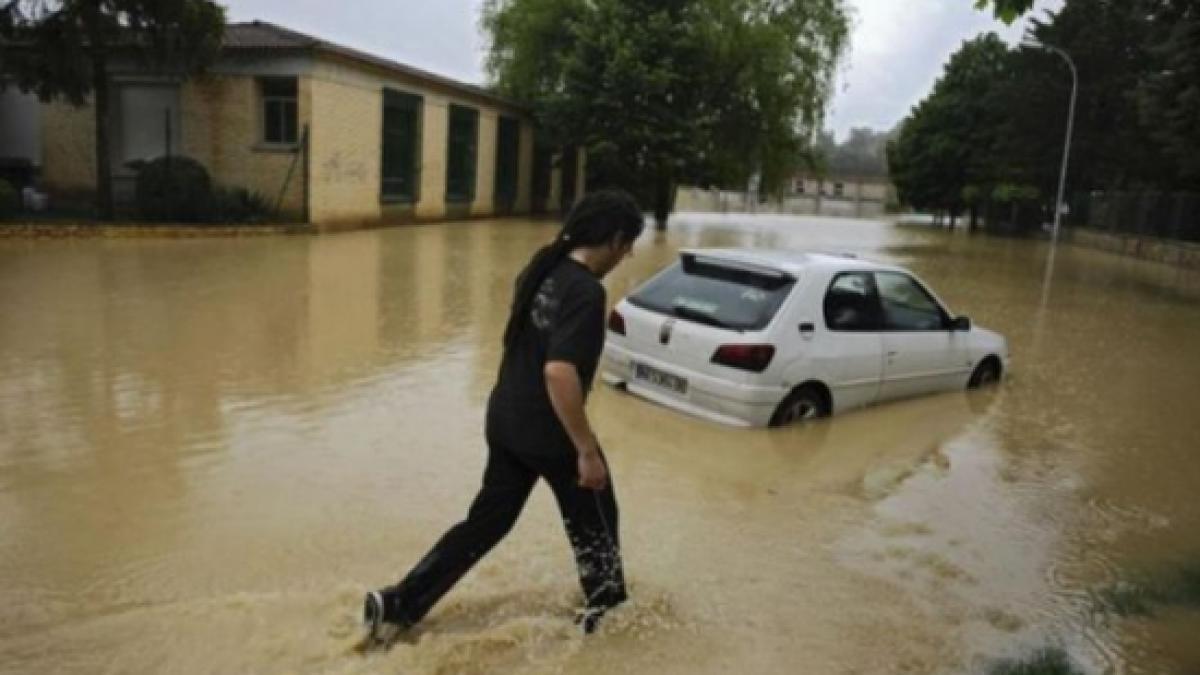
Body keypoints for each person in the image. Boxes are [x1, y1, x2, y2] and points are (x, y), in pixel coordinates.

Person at [363, 189, 646, 643]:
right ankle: (607, 620)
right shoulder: (587, 292)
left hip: (505, 418)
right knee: (595, 520)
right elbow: (559, 372)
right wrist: (586, 450)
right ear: (613, 239)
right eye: (628, 243)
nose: (628, 254)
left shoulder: (542, 266)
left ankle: (399, 603)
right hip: (549, 433)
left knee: (487, 522)